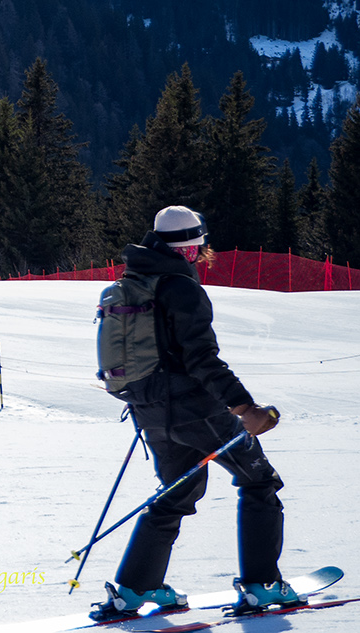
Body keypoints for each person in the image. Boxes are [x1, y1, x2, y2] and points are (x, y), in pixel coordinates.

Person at [97, 206, 296, 618]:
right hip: (195, 409)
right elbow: (202, 359)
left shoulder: (134, 280)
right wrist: (246, 408)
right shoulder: (181, 288)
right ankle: (264, 585)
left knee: (175, 494)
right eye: (200, 245)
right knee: (259, 481)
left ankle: (135, 589)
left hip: (149, 410)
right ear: (192, 247)